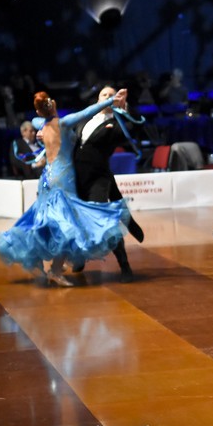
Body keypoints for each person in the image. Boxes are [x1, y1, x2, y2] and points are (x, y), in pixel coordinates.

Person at [0, 91, 131, 287]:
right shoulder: (64, 123)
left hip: (47, 178)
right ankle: (56, 270)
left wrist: (41, 123)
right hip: (62, 180)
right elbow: (88, 111)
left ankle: (58, 266)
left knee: (52, 224)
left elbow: (33, 120)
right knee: (68, 227)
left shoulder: (42, 124)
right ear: (53, 105)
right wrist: (111, 101)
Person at [72, 85, 145, 283]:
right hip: (77, 178)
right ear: (97, 100)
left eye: (111, 95)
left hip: (98, 178)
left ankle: (124, 265)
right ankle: (78, 258)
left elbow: (135, 127)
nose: (107, 97)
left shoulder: (118, 121)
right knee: (76, 221)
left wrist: (125, 107)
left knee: (105, 222)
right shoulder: (84, 119)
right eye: (103, 94)